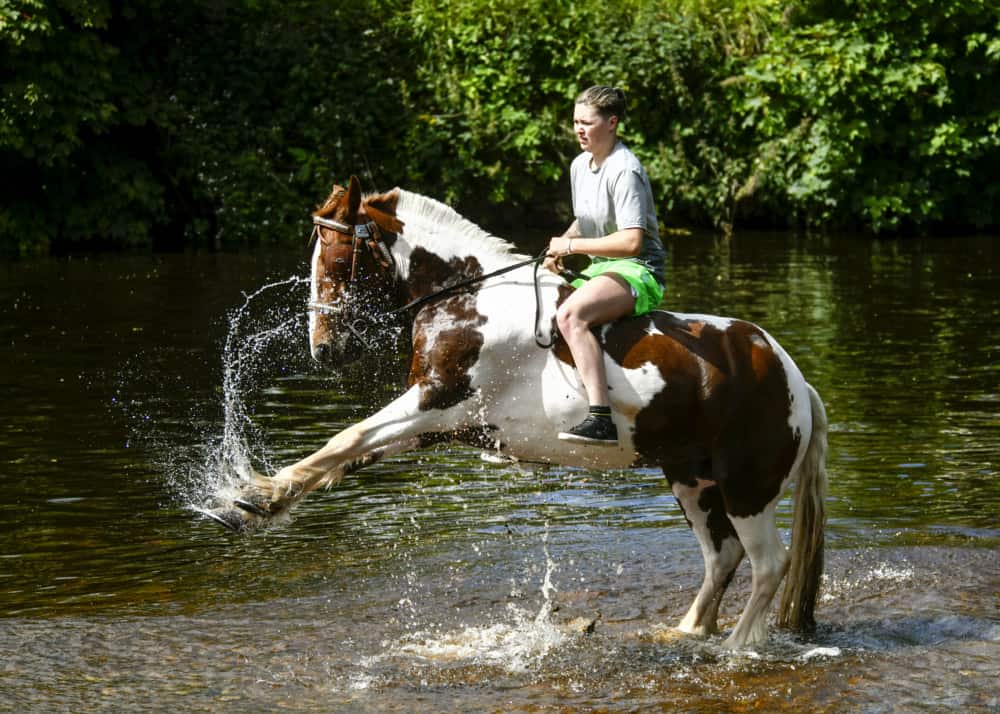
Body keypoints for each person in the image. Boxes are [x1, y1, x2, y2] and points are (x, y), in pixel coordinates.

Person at [545, 86, 666, 446]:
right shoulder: (579, 166)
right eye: (575, 122)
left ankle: (601, 420)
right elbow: (587, 219)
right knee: (540, 308)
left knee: (571, 316)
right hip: (600, 268)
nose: (579, 130)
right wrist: (557, 252)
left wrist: (571, 245)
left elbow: (631, 241)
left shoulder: (625, 169)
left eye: (587, 122)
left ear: (612, 123)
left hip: (638, 269)